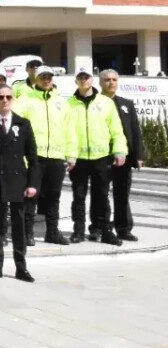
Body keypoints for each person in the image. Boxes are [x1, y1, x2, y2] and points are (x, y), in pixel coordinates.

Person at [0, 85, 39, 282]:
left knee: (19, 226)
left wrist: (32, 183)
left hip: (18, 181)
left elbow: (33, 157)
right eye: (0, 97)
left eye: (8, 97)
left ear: (13, 100)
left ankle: (21, 267)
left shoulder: (23, 124)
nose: (4, 100)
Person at [66, 68, 127, 245]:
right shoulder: (69, 104)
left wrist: (119, 150)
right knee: (79, 196)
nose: (84, 80)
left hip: (101, 157)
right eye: (80, 77)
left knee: (102, 195)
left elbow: (116, 129)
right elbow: (66, 132)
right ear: (76, 81)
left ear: (92, 80)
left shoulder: (106, 103)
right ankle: (78, 231)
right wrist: (69, 155)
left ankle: (105, 231)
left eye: (87, 77)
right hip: (79, 158)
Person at [14, 65, 73, 246]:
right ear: (36, 78)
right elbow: (18, 129)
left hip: (56, 156)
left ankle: (52, 232)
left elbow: (69, 130)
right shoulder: (25, 100)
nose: (46, 80)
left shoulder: (62, 102)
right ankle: (27, 233)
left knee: (54, 197)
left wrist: (71, 154)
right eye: (42, 77)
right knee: (31, 195)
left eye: (49, 77)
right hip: (34, 157)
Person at [101, 69, 143, 242]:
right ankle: (101, 227)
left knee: (122, 194)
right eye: (107, 80)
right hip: (102, 156)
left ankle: (123, 228)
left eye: (114, 79)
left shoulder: (126, 104)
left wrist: (139, 155)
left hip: (123, 157)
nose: (111, 82)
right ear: (101, 83)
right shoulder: (97, 103)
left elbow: (135, 130)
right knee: (102, 194)